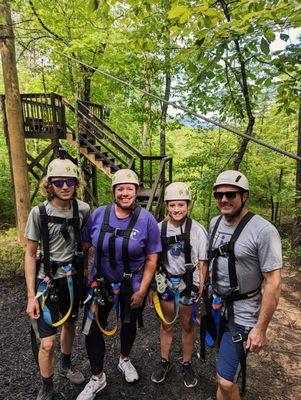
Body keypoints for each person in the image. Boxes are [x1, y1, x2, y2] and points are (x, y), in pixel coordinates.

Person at [76, 168, 162, 400]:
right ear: (114, 191)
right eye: (121, 189)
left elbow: (152, 258)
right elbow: (84, 245)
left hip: (132, 283)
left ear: (136, 192)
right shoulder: (99, 215)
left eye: (130, 189)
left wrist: (143, 290)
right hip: (101, 282)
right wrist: (84, 271)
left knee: (128, 322)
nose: (125, 193)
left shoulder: (147, 220)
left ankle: (124, 359)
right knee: (92, 328)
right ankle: (97, 377)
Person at [207, 170, 282, 400]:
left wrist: (261, 328)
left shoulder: (263, 231)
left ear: (244, 196)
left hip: (244, 313)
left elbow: (273, 282)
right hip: (217, 306)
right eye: (219, 195)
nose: (224, 200)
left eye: (231, 194)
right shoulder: (215, 223)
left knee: (227, 381)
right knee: (223, 370)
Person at [24, 157, 91, 400]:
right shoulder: (38, 212)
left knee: (70, 325)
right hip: (48, 282)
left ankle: (65, 364)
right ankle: (47, 385)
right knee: (47, 342)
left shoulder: (82, 210)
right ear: (49, 184)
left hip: (72, 281)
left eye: (70, 181)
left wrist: (84, 271)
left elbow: (85, 244)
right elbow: (31, 255)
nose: (65, 186)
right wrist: (31, 296)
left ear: (76, 183)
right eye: (59, 182)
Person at [148, 182, 208, 388]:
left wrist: (201, 286)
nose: (176, 209)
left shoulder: (198, 230)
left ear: (188, 205)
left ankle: (186, 362)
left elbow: (202, 261)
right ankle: (164, 361)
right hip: (165, 282)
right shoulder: (158, 228)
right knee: (166, 324)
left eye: (181, 205)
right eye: (172, 205)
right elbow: (152, 259)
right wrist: (150, 287)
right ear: (167, 205)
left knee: (187, 325)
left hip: (189, 284)